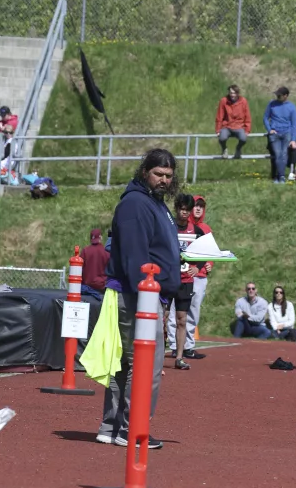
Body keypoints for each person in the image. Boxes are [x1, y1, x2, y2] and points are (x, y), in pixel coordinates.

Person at [96, 147, 181, 448]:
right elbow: (135, 258)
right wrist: (151, 297)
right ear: (145, 171)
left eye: (168, 176)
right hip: (139, 296)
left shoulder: (155, 203)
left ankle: (111, 426)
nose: (164, 180)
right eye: (158, 174)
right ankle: (132, 428)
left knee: (125, 365)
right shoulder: (135, 204)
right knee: (145, 365)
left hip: (145, 293)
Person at [167, 193, 210, 361]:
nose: (184, 212)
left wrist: (197, 267)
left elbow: (206, 250)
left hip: (186, 280)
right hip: (170, 278)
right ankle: (165, 349)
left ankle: (180, 356)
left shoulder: (197, 230)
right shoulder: (169, 227)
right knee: (164, 316)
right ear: (177, 209)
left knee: (183, 318)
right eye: (181, 209)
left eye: (187, 210)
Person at [263, 86, 296, 184]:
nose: (277, 96)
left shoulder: (291, 107)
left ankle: (281, 176)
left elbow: (294, 124)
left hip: (286, 133)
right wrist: (269, 129)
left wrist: (293, 139)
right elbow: (265, 118)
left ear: (285, 96)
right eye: (277, 95)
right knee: (278, 154)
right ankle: (278, 176)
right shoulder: (271, 104)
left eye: (279, 95)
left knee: (284, 154)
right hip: (275, 133)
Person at [215, 84, 251, 160]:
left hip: (239, 126)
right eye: (231, 93)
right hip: (227, 126)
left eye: (234, 93)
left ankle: (238, 149)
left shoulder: (243, 101)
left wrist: (247, 130)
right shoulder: (224, 101)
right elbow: (219, 115)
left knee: (243, 139)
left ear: (238, 93)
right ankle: (224, 149)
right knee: (222, 138)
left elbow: (247, 116)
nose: (232, 95)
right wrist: (218, 129)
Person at [80, 228, 110, 297]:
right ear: (100, 237)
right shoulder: (106, 252)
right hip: (101, 288)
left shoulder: (85, 251)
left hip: (87, 288)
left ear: (91, 239)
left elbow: (80, 269)